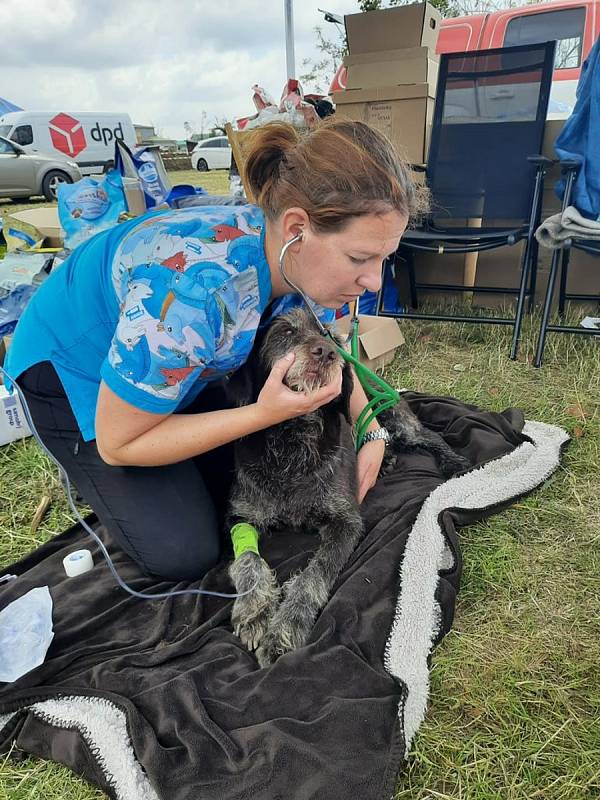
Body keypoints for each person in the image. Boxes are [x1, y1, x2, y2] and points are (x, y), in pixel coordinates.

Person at [6, 118, 421, 582]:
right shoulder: (195, 297)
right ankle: (92, 471)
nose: (374, 281)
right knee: (185, 551)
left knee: (235, 471)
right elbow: (119, 442)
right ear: (297, 228)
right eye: (360, 259)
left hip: (182, 358)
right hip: (70, 367)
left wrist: (372, 432)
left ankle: (170, 415)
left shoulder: (297, 262)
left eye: (384, 258)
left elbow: (331, 351)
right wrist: (262, 415)